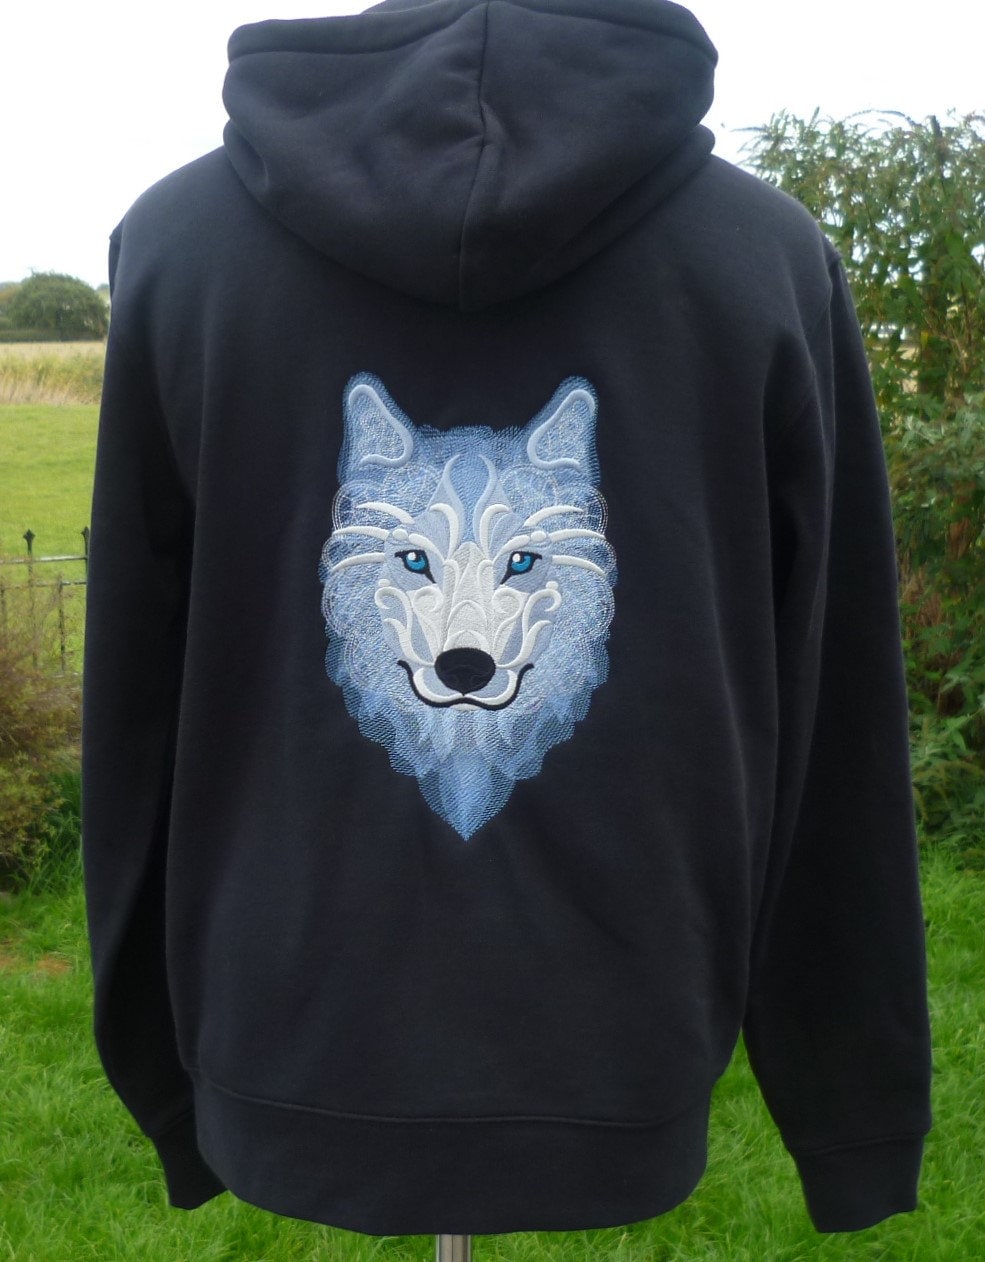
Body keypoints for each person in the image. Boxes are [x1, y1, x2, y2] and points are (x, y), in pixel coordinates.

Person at [82, 0, 932, 1237]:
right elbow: (836, 711)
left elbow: (127, 703)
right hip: (623, 1025)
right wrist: (853, 1107)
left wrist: (163, 1072)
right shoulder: (759, 253)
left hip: (287, 1020)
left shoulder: (180, 241)